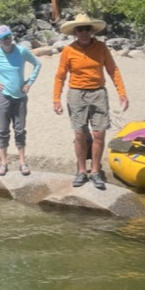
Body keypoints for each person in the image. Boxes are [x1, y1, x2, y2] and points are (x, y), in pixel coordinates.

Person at [53, 13, 129, 190]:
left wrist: (122, 93)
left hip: (98, 94)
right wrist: (56, 99)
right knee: (80, 134)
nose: (84, 32)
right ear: (75, 32)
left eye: (87, 29)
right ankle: (81, 171)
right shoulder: (68, 51)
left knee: (99, 134)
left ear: (92, 30)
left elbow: (113, 71)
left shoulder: (101, 48)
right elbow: (60, 76)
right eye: (80, 29)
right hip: (76, 95)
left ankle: (95, 171)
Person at [0, 25, 41, 176]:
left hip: (20, 98)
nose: (6, 40)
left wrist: (29, 82)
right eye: (3, 38)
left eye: (8, 37)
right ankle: (3, 163)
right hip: (2, 96)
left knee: (20, 130)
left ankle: (22, 162)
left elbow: (37, 64)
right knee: (3, 130)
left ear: (12, 37)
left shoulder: (22, 51)